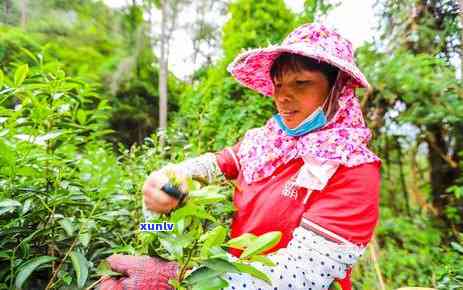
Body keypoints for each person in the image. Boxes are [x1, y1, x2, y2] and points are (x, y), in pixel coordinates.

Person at [99, 23, 382, 290]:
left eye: (301, 83)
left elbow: (298, 278)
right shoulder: (265, 144)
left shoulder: (353, 170)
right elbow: (211, 165)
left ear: (337, 89)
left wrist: (180, 279)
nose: (283, 96)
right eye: (278, 84)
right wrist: (165, 182)